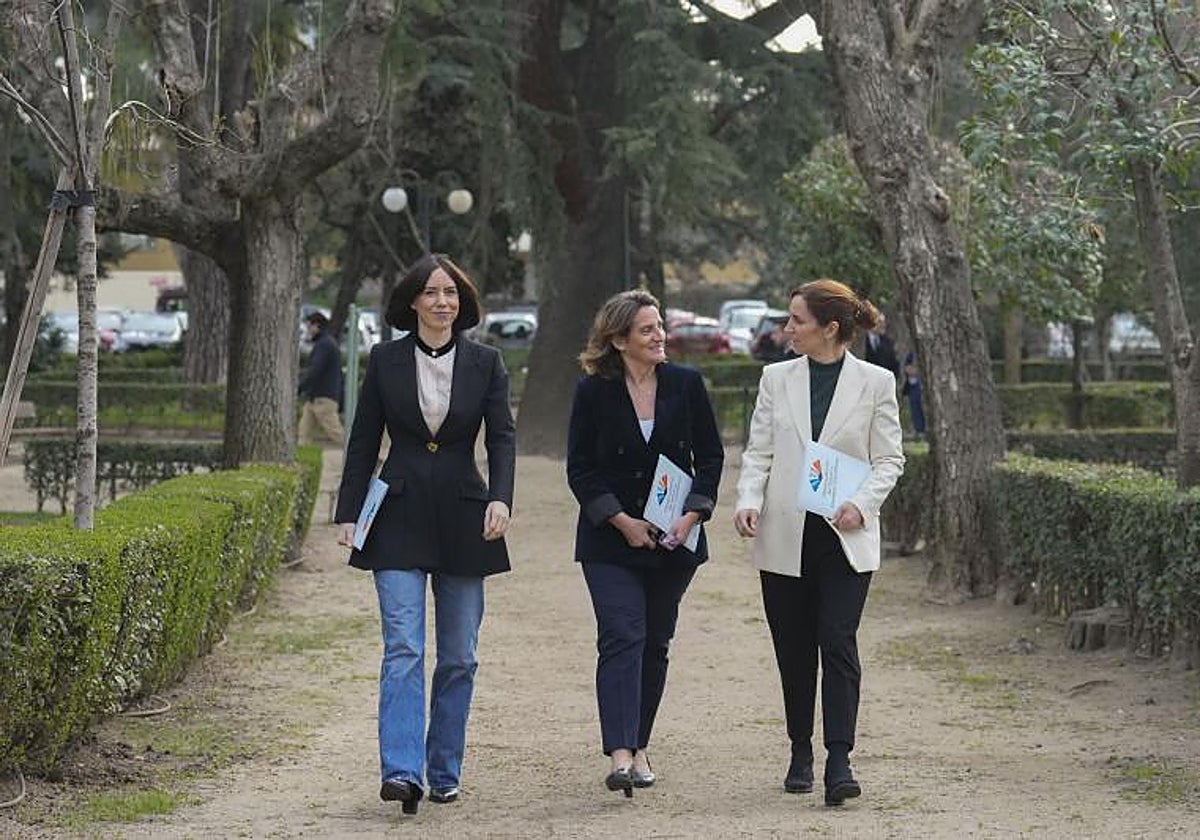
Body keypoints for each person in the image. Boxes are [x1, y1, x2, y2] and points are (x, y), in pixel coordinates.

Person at [334, 254, 515, 816]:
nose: (443, 302)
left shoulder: (486, 362)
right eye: (432, 292)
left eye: (452, 293)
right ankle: (401, 771)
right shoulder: (385, 360)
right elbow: (364, 439)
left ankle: (443, 770)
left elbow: (502, 438)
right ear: (412, 301)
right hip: (397, 514)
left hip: (465, 514)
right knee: (404, 647)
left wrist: (502, 498)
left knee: (459, 655)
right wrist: (348, 512)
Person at [733, 279, 904, 807]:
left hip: (843, 536)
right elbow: (759, 451)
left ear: (830, 329)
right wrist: (748, 500)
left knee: (837, 640)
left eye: (797, 321)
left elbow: (889, 460)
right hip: (785, 535)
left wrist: (863, 504)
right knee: (794, 648)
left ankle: (839, 758)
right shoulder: (775, 378)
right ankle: (799, 749)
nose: (788, 329)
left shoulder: (876, 382)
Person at [566, 289, 724, 797]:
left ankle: (639, 745)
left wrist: (692, 514)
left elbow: (711, 458)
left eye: (660, 326)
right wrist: (621, 520)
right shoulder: (592, 392)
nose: (660, 336)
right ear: (619, 340)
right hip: (610, 539)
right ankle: (619, 753)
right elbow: (580, 469)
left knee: (655, 642)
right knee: (622, 634)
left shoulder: (687, 384)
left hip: (675, 539)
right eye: (648, 329)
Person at [298, 311, 345, 446]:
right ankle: (303, 454)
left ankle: (357, 453)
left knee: (336, 433)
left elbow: (315, 370)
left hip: (323, 398)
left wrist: (299, 387)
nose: (308, 329)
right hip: (315, 398)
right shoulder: (326, 343)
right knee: (304, 433)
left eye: (310, 326)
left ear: (317, 326)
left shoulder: (324, 345)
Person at [863, 314, 900, 379]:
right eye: (879, 322)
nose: (883, 325)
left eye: (883, 322)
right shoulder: (859, 342)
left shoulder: (889, 342)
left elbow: (894, 366)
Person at [902, 351, 926, 439]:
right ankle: (918, 430)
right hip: (912, 387)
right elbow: (907, 366)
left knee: (920, 408)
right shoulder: (911, 354)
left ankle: (922, 429)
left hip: (919, 386)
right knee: (914, 409)